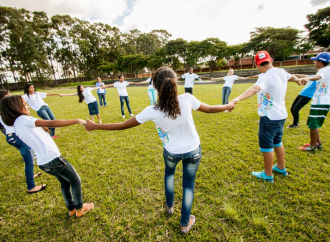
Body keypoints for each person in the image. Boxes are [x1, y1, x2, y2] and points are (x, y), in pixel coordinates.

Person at [84, 66, 235, 234]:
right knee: (188, 187)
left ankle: (170, 207)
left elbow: (122, 126)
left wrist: (96, 126)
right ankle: (185, 224)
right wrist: (228, 105)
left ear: (155, 87)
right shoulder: (186, 98)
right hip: (193, 151)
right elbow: (211, 109)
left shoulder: (152, 110)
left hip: (171, 152)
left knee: (169, 175)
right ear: (176, 82)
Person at [0, 95, 94, 217]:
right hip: (53, 159)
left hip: (43, 163)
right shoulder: (23, 119)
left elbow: (34, 129)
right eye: (24, 105)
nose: (28, 107)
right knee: (75, 181)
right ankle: (80, 208)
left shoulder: (15, 125)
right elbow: (51, 122)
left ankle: (71, 209)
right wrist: (77, 121)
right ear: (15, 108)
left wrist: (40, 126)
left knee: (65, 183)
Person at [230, 51, 301, 183]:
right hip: (281, 116)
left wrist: (237, 99)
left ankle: (268, 174)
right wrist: (298, 80)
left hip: (269, 117)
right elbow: (291, 77)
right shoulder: (281, 71)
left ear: (257, 65)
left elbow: (255, 88)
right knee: (277, 142)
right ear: (271, 60)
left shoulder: (265, 76)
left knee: (267, 146)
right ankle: (281, 167)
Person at [0, 89, 45, 193]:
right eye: (8, 95)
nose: (10, 97)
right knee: (29, 159)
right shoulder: (8, 111)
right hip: (16, 137)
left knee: (28, 158)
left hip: (12, 136)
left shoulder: (4, 110)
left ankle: (30, 175)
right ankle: (31, 187)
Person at [299, 52, 330, 151]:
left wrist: (308, 78)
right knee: (314, 123)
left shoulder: (324, 70)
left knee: (313, 123)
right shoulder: (326, 70)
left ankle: (312, 146)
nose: (314, 63)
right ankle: (317, 143)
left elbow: (318, 77)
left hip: (321, 101)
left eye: (315, 61)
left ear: (320, 62)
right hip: (321, 100)